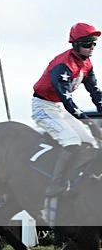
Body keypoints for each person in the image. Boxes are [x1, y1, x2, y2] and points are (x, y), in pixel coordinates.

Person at [32, 22, 102, 197]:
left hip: (59, 108)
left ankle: (73, 178)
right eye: (87, 43)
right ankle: (55, 186)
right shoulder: (62, 65)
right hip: (43, 107)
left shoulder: (87, 64)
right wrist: (92, 124)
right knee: (72, 141)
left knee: (90, 144)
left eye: (94, 43)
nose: (92, 47)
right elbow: (67, 99)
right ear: (76, 44)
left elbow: (95, 92)